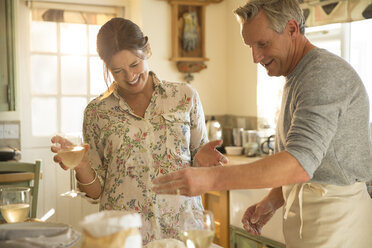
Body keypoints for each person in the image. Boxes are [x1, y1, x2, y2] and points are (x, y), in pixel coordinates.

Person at [152, 0, 372, 247]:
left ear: (291, 29)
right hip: (315, 218)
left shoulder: (323, 74)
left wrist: (212, 179)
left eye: (262, 44)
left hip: (338, 224)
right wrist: (274, 198)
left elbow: (299, 164)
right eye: (250, 46)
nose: (255, 57)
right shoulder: (299, 75)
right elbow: (313, 161)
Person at [51, 17, 227, 245]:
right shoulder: (97, 113)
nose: (130, 76)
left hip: (182, 233)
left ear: (147, 51)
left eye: (135, 65)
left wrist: (204, 164)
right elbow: (96, 192)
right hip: (125, 238)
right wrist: (82, 166)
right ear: (107, 67)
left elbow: (200, 165)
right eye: (118, 70)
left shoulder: (185, 97)